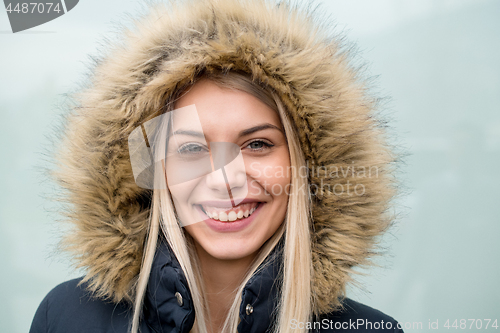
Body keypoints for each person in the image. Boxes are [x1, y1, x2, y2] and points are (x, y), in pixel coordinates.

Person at [30, 0, 403, 332]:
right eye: (192, 148)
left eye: (257, 144)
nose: (225, 179)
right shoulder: (66, 317)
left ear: (307, 169)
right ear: (150, 174)